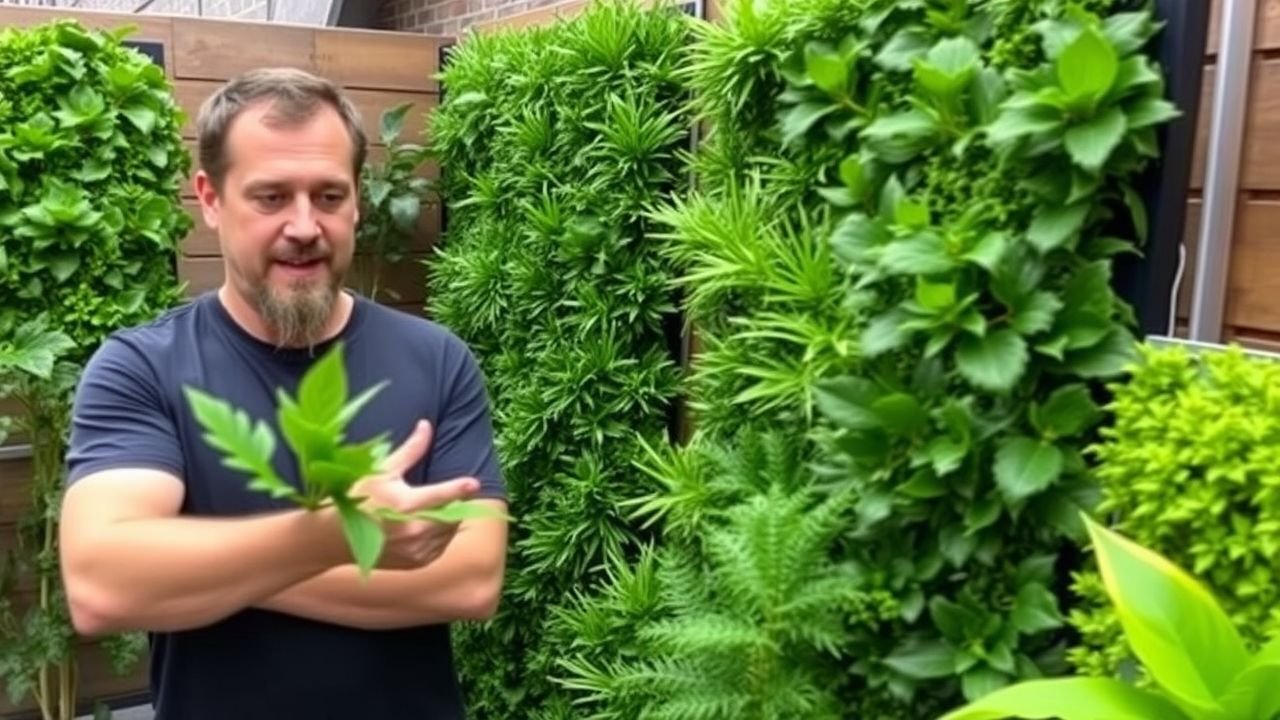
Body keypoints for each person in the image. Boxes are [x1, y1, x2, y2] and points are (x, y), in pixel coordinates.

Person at [57, 67, 509, 720]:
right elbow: (104, 585)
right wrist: (340, 535)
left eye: (328, 196)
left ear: (357, 199)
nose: (304, 226)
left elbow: (471, 580)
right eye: (271, 197)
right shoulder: (142, 368)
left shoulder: (436, 359)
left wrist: (204, 565)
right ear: (210, 198)